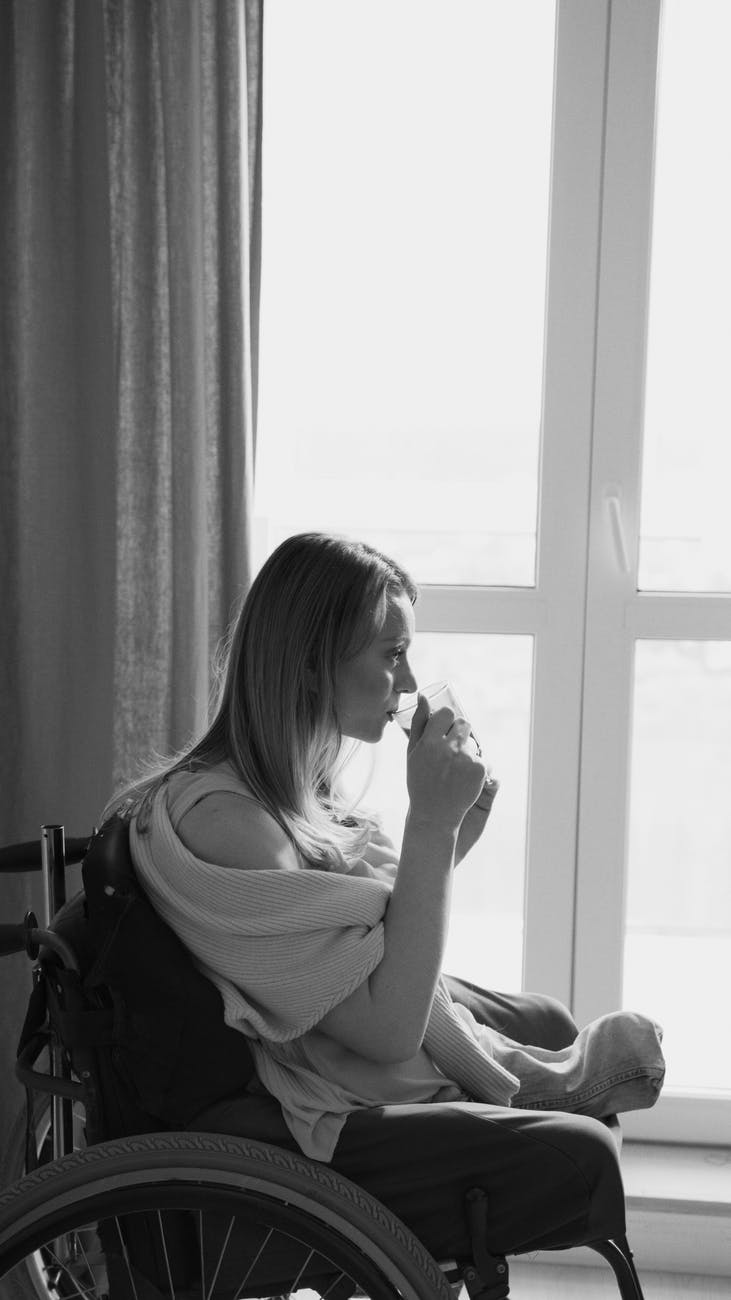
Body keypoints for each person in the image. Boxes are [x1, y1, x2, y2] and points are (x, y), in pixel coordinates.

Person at [106, 531, 665, 1261]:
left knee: (550, 1022)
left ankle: (536, 1081)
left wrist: (447, 837)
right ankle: (535, 1089)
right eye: (390, 654)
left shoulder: (285, 790)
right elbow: (385, 1029)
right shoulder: (229, 824)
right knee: (578, 1148)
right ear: (310, 665)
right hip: (301, 1110)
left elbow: (351, 943)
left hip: (328, 1048)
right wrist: (428, 826)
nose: (407, 684)